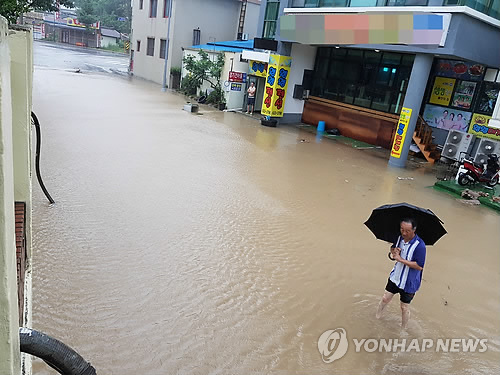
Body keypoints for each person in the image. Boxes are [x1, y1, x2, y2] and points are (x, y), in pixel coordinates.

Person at [376, 218, 426, 329]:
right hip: (395, 277)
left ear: (414, 230)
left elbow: (419, 266)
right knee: (385, 299)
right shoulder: (399, 238)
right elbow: (393, 251)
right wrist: (393, 252)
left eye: (407, 231)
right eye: (401, 229)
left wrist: (400, 259)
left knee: (404, 307)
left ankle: (403, 329)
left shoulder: (420, 246)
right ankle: (377, 317)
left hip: (409, 283)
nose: (404, 233)